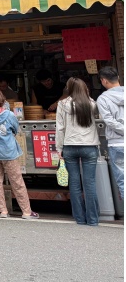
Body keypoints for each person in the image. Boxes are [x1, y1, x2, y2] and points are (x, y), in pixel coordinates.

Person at [0, 88, 39, 219]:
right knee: (17, 181)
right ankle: (26, 212)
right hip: (8, 152)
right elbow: (15, 129)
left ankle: (3, 211)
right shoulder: (9, 115)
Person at [56, 77, 101, 226]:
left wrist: (59, 148)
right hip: (89, 146)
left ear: (69, 89)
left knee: (74, 184)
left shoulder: (62, 104)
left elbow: (60, 128)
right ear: (85, 89)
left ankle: (80, 219)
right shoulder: (92, 104)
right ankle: (93, 220)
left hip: (69, 146)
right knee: (90, 184)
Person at [97, 66, 124, 201]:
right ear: (118, 78)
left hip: (117, 143)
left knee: (123, 181)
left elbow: (109, 121)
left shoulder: (103, 98)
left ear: (104, 81)